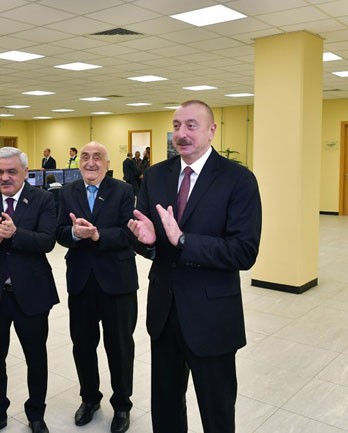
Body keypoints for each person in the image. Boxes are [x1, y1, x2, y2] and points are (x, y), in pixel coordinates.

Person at [128, 100, 262, 433]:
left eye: (191, 125)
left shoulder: (238, 179)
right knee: (166, 408)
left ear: (211, 131)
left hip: (212, 317)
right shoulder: (156, 176)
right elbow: (145, 238)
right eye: (176, 126)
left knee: (217, 412)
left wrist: (184, 240)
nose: (182, 134)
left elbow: (244, 252)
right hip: (164, 314)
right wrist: (146, 241)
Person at [0, 147, 58, 433]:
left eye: (11, 172)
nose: (5, 178)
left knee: (36, 358)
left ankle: (36, 414)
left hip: (32, 293)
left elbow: (47, 241)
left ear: (25, 172)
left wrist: (15, 234)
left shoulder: (42, 199)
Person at [56, 141, 138, 433]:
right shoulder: (68, 192)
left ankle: (122, 405)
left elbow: (130, 235)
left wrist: (96, 235)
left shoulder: (124, 191)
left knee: (119, 347)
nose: (90, 162)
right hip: (81, 282)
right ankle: (89, 399)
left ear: (107, 163)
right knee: (83, 346)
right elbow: (59, 232)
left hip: (117, 282)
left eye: (97, 157)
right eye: (85, 157)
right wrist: (74, 233)